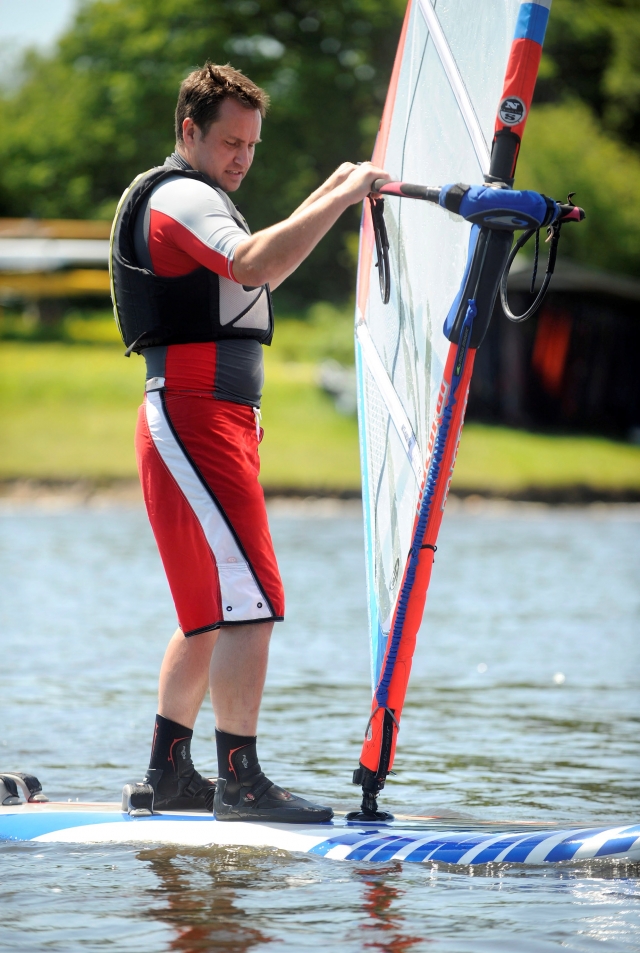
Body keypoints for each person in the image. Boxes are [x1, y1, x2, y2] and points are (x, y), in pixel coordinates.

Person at [110, 62, 388, 822]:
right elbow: (258, 263)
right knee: (253, 600)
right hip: (196, 414)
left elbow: (256, 263)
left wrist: (336, 188)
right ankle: (242, 781)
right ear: (188, 131)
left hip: (200, 416)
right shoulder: (183, 197)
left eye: (252, 146)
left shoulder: (202, 200)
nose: (241, 158)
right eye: (229, 142)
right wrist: (344, 196)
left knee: (209, 609)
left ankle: (169, 773)